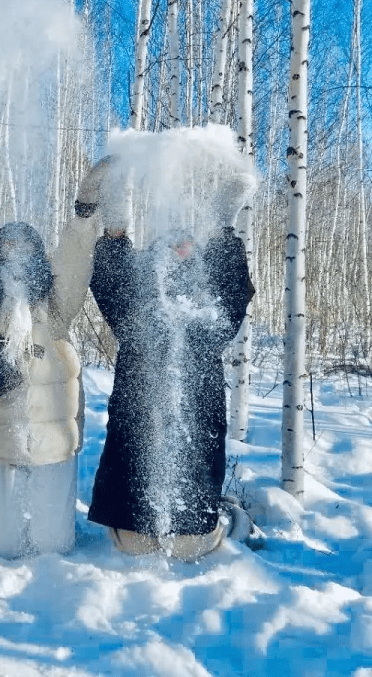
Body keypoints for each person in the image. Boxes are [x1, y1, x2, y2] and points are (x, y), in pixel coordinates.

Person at [0, 139, 102, 556]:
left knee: (53, 546)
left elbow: (75, 265)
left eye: (26, 249)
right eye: (6, 249)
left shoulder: (56, 304)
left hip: (53, 440)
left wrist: (83, 218)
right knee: (3, 545)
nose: (16, 256)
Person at [87, 201, 254, 560]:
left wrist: (115, 235)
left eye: (186, 246)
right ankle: (229, 520)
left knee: (193, 527)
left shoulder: (187, 316)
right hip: (158, 530)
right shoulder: (187, 315)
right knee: (219, 525)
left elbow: (233, 290)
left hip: (147, 527)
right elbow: (234, 288)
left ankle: (216, 521)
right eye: (173, 245)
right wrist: (225, 232)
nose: (180, 250)